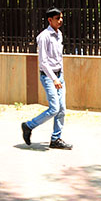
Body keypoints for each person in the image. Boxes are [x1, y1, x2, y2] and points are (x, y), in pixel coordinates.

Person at [21, 8, 72, 150]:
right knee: (54, 108)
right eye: (57, 18)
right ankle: (28, 125)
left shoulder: (59, 34)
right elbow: (43, 61)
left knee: (62, 109)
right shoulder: (44, 37)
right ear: (50, 20)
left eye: (61, 17)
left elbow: (58, 57)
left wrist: (60, 76)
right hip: (49, 77)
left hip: (59, 75)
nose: (60, 20)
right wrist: (54, 79)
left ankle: (56, 139)